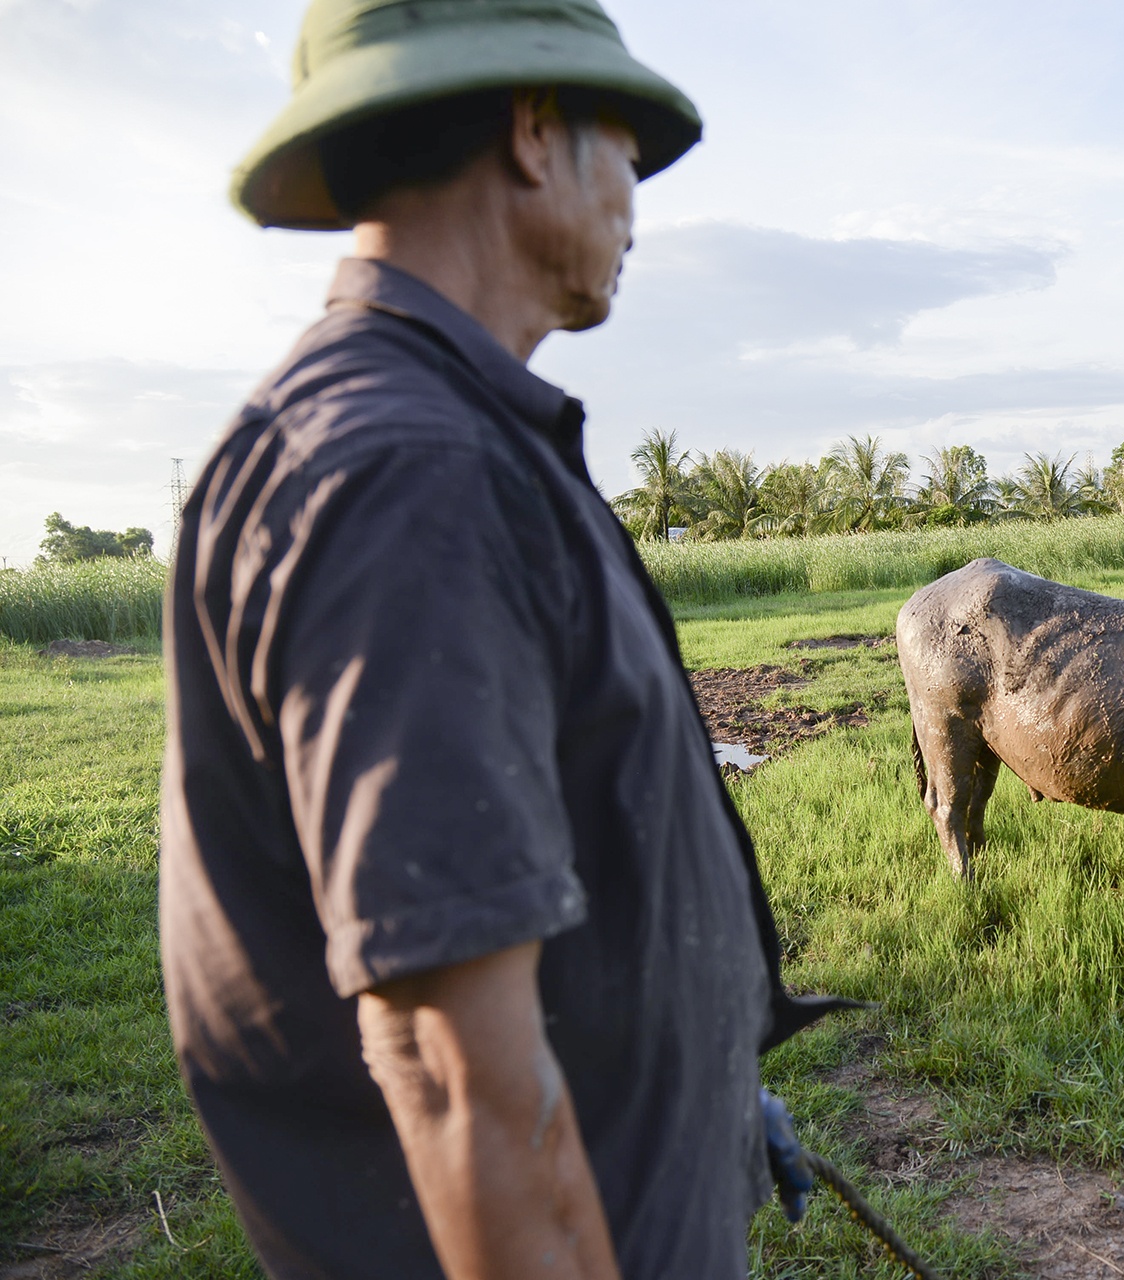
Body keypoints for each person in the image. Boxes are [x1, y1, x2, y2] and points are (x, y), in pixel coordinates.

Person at [160, 2, 847, 1276]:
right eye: (626, 147)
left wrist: (695, 1092)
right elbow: (453, 1071)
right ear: (535, 130)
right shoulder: (411, 476)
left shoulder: (435, 434)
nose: (639, 195)